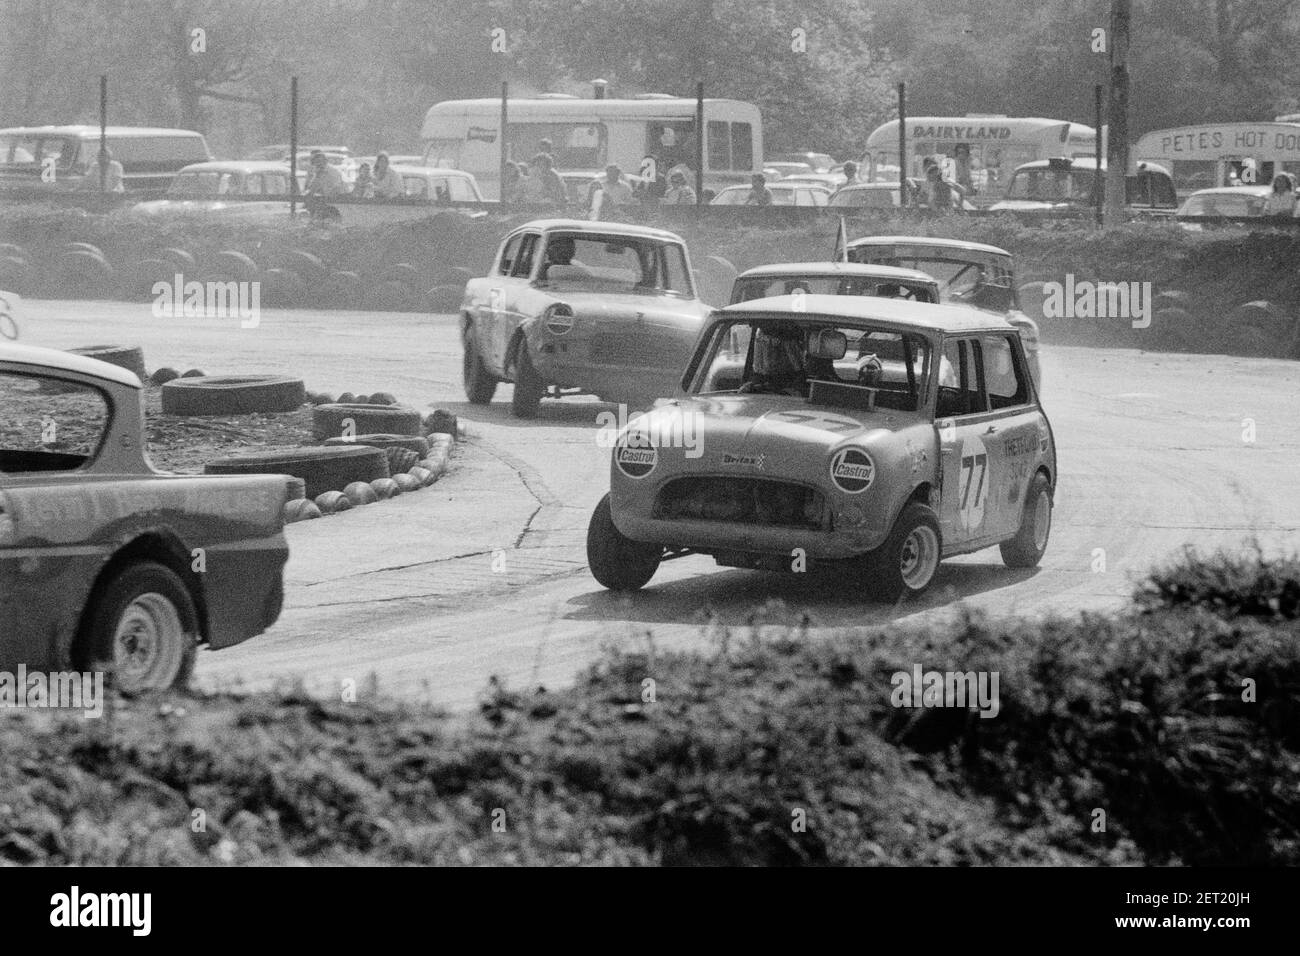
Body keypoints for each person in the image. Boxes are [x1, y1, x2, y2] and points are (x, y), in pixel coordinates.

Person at [741, 325, 807, 395]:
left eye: (775, 347)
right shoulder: (755, 381)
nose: (768, 353)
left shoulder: (800, 382)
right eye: (764, 345)